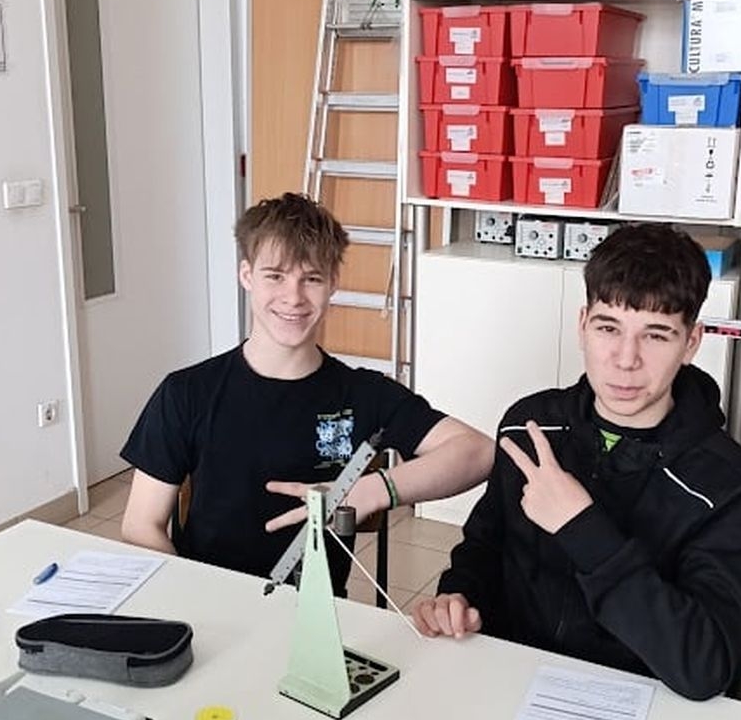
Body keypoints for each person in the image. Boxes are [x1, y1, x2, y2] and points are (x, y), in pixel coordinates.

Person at [412, 222, 741, 701]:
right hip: (509, 685)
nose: (626, 359)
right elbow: (484, 545)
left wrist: (583, 528)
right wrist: (458, 596)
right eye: (608, 328)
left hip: (638, 706)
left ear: (691, 343)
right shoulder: (529, 427)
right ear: (582, 325)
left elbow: (706, 667)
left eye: (656, 335)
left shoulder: (729, 484)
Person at [120, 192, 493, 586]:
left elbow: (478, 452)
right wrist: (205, 600)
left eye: (311, 278)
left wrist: (375, 490)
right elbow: (141, 526)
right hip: (208, 600)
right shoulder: (185, 392)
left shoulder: (364, 393)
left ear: (333, 283)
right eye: (275, 276)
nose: (293, 298)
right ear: (247, 275)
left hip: (314, 611)